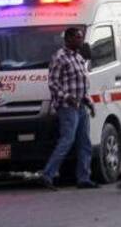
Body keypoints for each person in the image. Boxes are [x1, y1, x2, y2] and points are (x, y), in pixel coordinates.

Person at [40, 27, 97, 190]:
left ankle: (84, 178)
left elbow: (82, 84)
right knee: (67, 141)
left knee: (85, 142)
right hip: (67, 107)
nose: (81, 40)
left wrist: (89, 102)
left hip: (80, 105)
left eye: (81, 37)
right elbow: (53, 83)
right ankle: (47, 175)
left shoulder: (78, 58)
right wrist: (66, 97)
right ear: (69, 39)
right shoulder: (60, 57)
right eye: (78, 37)